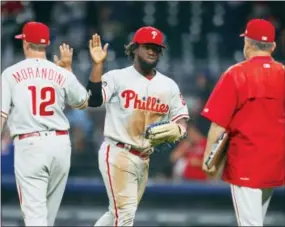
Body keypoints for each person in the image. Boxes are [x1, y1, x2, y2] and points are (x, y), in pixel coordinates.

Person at [86, 26, 190, 226]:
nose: (152, 51)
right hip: (118, 151)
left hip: (144, 157)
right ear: (134, 48)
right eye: (147, 46)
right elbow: (94, 100)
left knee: (115, 213)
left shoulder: (169, 85)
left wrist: (180, 128)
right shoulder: (117, 77)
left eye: (156, 48)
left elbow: (181, 118)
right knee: (125, 214)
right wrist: (97, 66)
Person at [1, 21, 89, 226]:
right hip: (60, 145)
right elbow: (83, 102)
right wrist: (68, 69)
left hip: (30, 145)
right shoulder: (60, 72)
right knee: (46, 219)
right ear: (46, 45)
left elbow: (1, 115)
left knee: (35, 218)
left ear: (25, 43)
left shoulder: (11, 73)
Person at [201, 18, 285, 226]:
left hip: (246, 162)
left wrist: (208, 158)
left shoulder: (236, 74)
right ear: (273, 46)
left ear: (247, 43)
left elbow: (218, 124)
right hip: (275, 162)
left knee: (250, 224)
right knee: (256, 220)